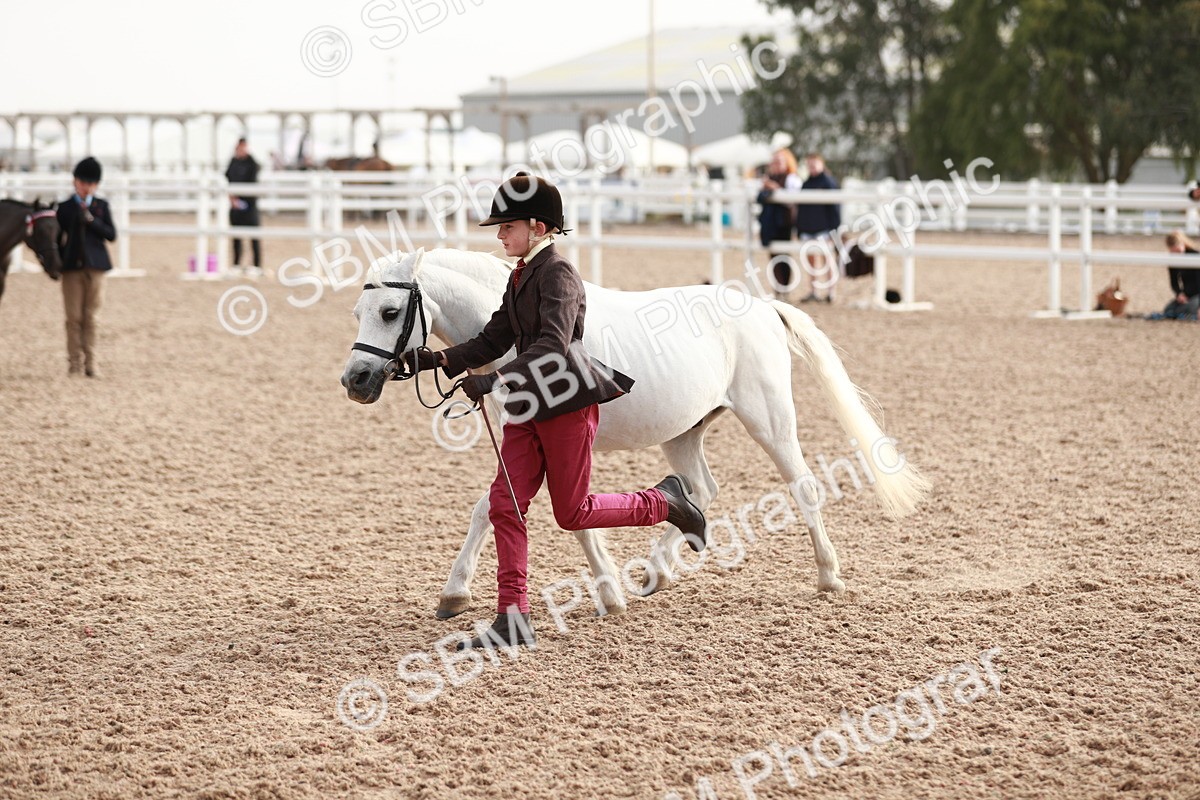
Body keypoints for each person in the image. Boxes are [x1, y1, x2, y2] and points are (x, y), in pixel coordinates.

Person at [404, 173, 708, 650]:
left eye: (507, 227)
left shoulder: (559, 275)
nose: (500, 236)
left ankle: (666, 502)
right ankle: (513, 618)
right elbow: (494, 336)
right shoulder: (520, 275)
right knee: (506, 504)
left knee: (574, 512)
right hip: (528, 403)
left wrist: (495, 380)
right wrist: (438, 359)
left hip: (565, 403)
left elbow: (552, 345)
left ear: (538, 227)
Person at [56, 157, 116, 377]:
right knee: (73, 317)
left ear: (96, 185)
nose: (86, 187)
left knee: (92, 317)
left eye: (91, 183)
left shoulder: (101, 206)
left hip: (97, 266)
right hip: (71, 267)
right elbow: (56, 238)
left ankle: (92, 362)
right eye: (83, 182)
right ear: (75, 182)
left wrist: (92, 221)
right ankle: (74, 363)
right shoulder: (63, 208)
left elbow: (111, 234)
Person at [794, 153, 842, 303]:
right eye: (809, 164)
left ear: (821, 164)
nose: (812, 167)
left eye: (814, 164)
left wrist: (834, 230)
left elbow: (835, 208)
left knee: (827, 260)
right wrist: (800, 228)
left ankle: (831, 292)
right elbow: (801, 208)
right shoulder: (806, 183)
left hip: (824, 229)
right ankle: (813, 291)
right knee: (811, 261)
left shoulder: (828, 182)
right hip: (808, 229)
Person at [757, 148, 801, 300]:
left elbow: (792, 200)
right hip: (771, 224)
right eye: (773, 161)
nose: (775, 164)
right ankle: (778, 290)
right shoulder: (770, 178)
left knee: (784, 256)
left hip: (784, 223)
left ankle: (785, 291)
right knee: (773, 257)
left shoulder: (791, 178)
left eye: (778, 161)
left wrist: (774, 188)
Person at [225, 138, 261, 273]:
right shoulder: (233, 162)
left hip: (250, 204)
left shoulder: (252, 163)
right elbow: (227, 178)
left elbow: (253, 180)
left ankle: (257, 265)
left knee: (254, 236)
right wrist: (232, 198)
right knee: (236, 236)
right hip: (235, 204)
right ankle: (236, 264)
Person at [1163, 231, 1200, 320]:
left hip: (1198, 294)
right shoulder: (1172, 259)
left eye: (1179, 251)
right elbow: (1174, 281)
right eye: (1174, 252)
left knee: (1187, 309)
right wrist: (1179, 294)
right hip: (1187, 294)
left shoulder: (1196, 256)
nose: (1177, 255)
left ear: (1183, 244)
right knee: (1168, 310)